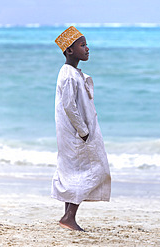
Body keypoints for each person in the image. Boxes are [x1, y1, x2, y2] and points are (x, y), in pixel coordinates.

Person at [51, 26, 111, 231]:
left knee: (75, 172)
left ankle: (68, 217)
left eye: (87, 44)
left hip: (79, 132)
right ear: (69, 50)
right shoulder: (68, 75)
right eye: (82, 45)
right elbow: (69, 106)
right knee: (91, 170)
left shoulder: (73, 73)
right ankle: (69, 217)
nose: (87, 49)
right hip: (77, 134)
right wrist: (83, 131)